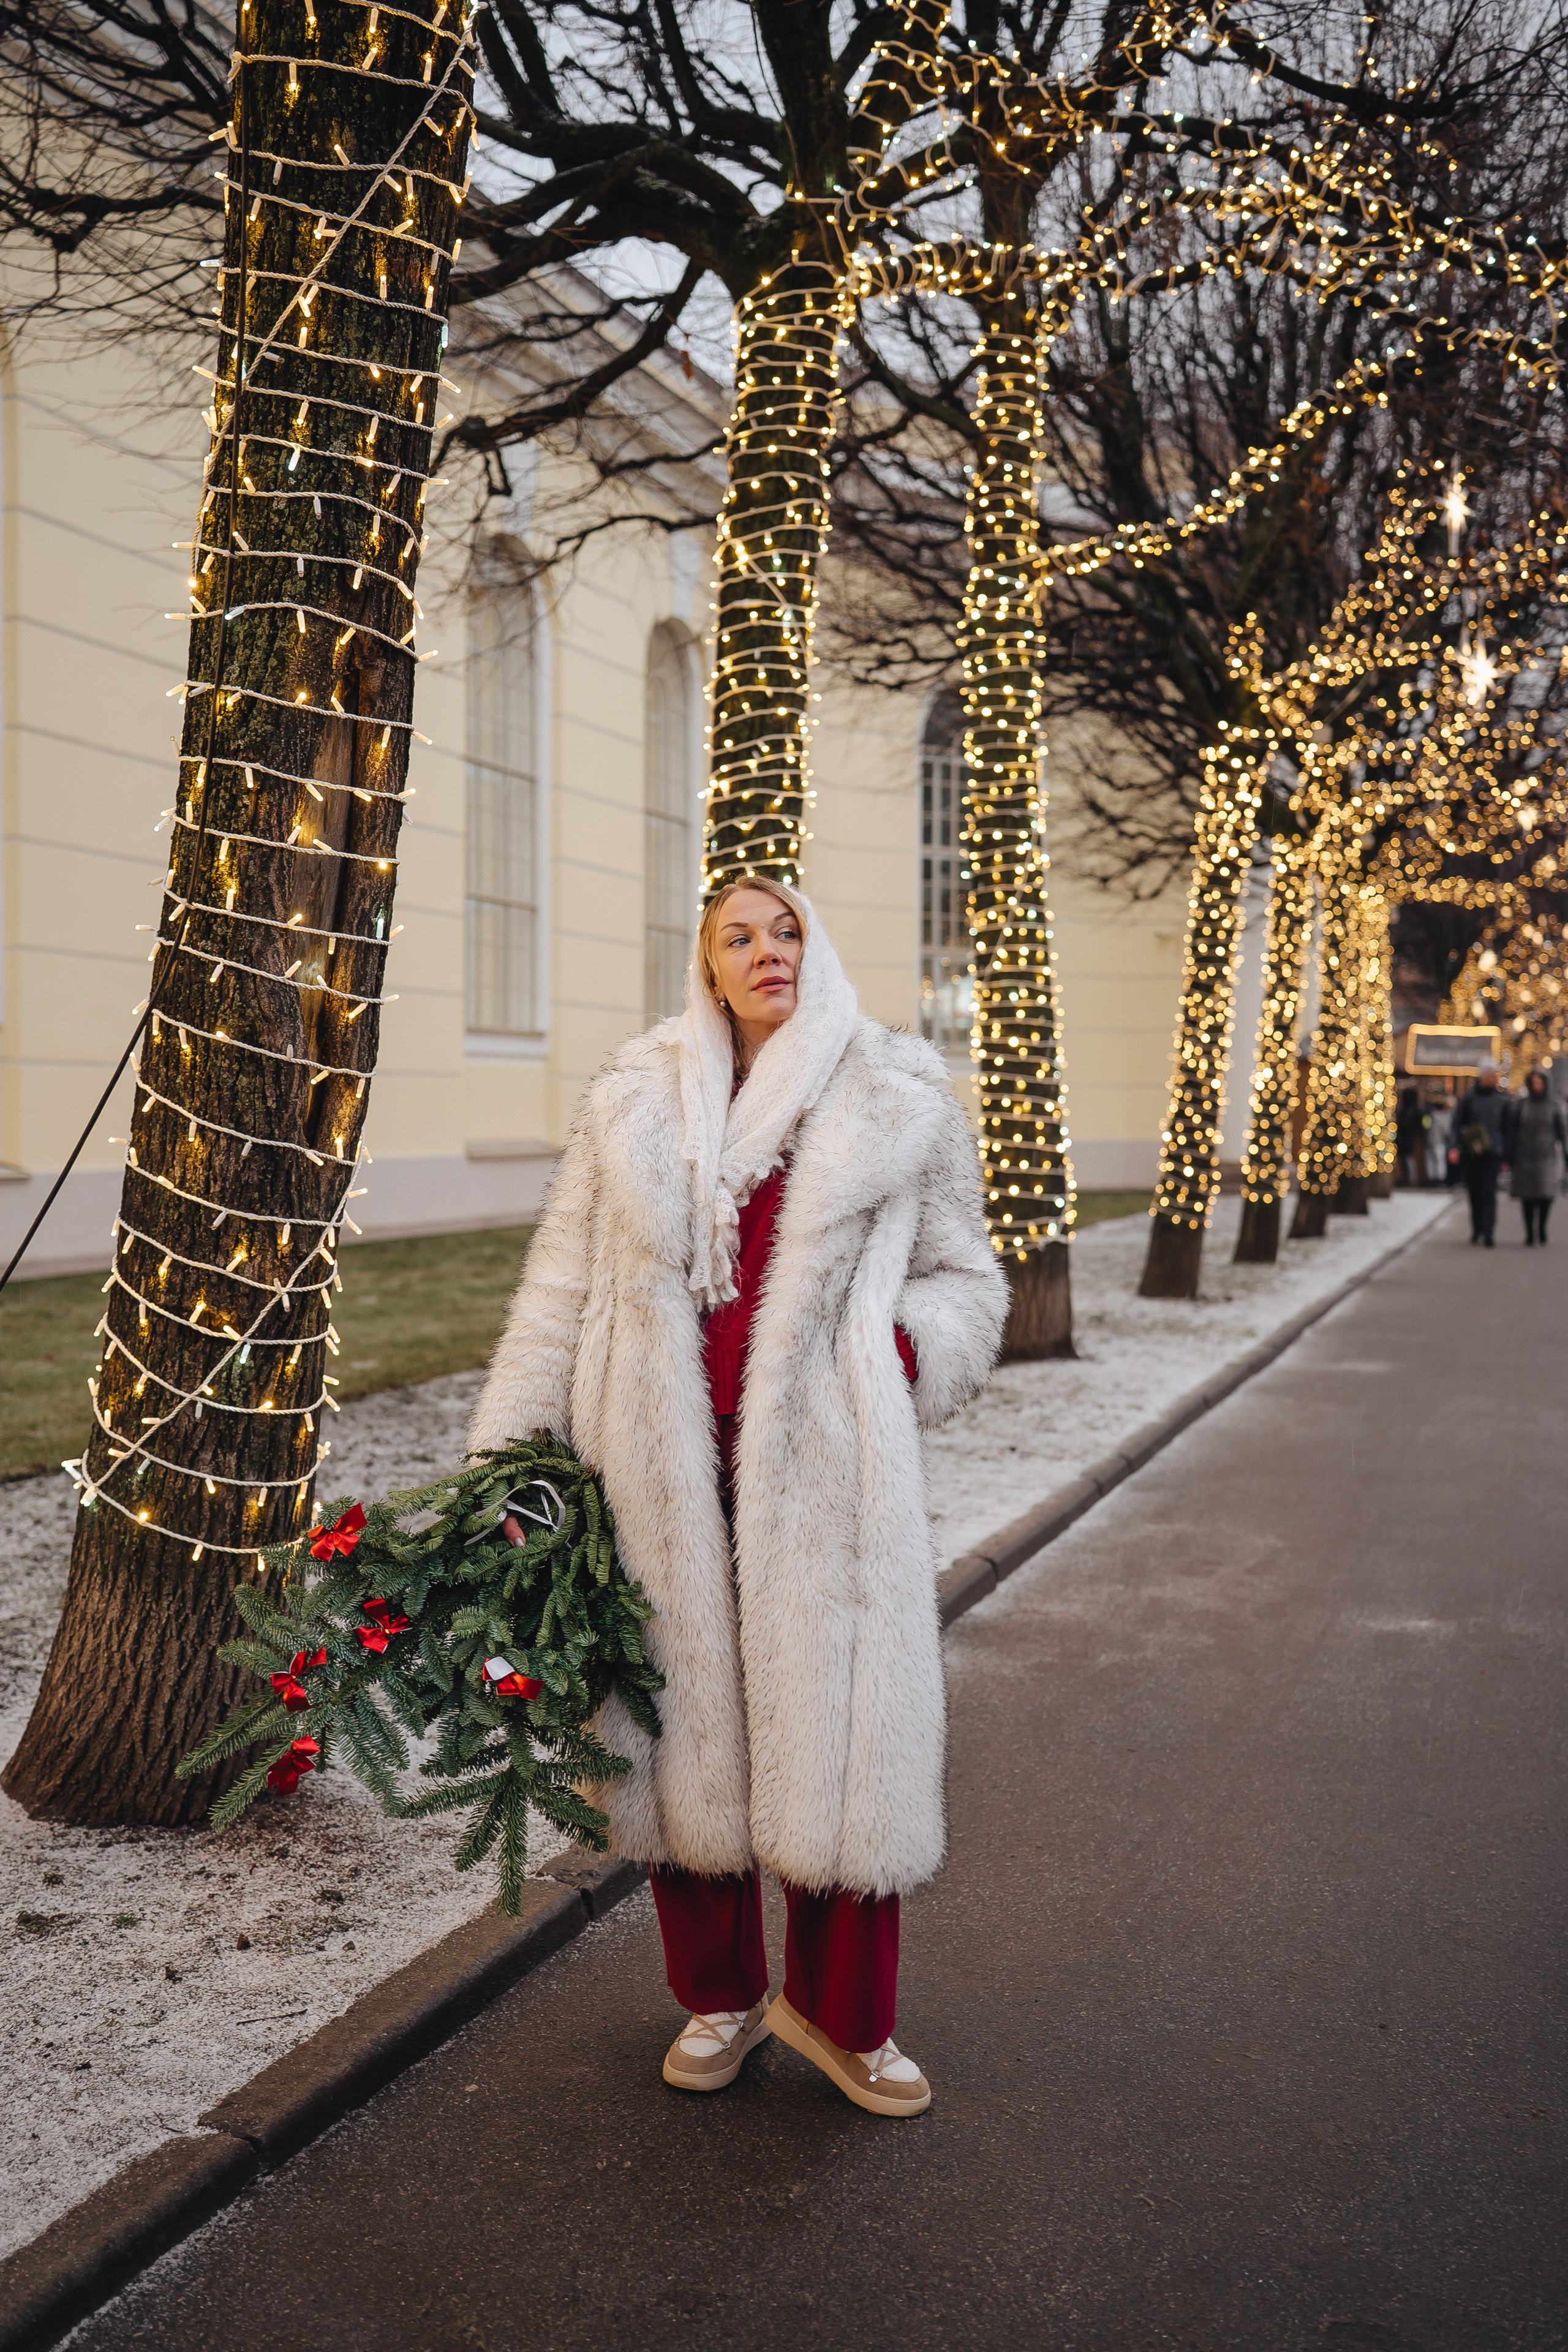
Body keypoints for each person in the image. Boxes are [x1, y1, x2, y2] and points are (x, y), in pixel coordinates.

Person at [469, 881, 1006, 2117]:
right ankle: (719, 1999)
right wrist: (513, 1456)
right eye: (738, 938)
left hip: (826, 1471)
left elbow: (965, 1282)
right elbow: (559, 1294)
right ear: (707, 968)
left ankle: (844, 2019)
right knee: (682, 1739)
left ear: (817, 948)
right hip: (655, 1468)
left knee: (842, 1743)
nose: (767, 952)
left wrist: (893, 1356)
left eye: (787, 931)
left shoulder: (897, 1094)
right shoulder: (635, 1100)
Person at [1504, 1068, 1568, 1246]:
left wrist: (1566, 1152)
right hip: (1525, 1155)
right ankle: (1530, 1233)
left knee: (1545, 1196)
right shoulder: (1523, 1105)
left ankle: (1541, 1228)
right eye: (1534, 1082)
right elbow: (1513, 1130)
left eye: (1540, 1082)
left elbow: (1562, 1131)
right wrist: (1510, 1154)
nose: (1537, 1085)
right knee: (1527, 1198)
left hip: (1546, 1156)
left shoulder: (1554, 1105)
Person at [1450, 1060, 1509, 1244]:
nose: (1493, 1079)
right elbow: (1457, 1124)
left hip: (1493, 1153)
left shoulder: (1502, 1101)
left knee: (1488, 1192)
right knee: (1475, 1192)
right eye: (1491, 1075)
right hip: (1472, 1152)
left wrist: (1506, 1156)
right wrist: (1454, 1147)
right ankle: (1477, 1229)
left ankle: (1488, 1231)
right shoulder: (1468, 1099)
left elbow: (1507, 1130)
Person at [1395, 1084, 1426, 1187]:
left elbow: (1417, 1126)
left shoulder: (1411, 1111)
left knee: (1408, 1159)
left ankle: (1410, 1178)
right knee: (1406, 1159)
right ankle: (1407, 1178)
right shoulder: (1410, 1111)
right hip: (1406, 1138)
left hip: (1409, 1138)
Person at [1424, 1089, 1453, 1187]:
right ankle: (1437, 1179)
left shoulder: (1433, 1115)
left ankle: (1435, 1179)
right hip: (1436, 1141)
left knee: (1435, 1160)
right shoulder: (1438, 1116)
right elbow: (1445, 1130)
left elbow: (1426, 1126)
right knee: (1437, 1160)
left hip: (1434, 1140)